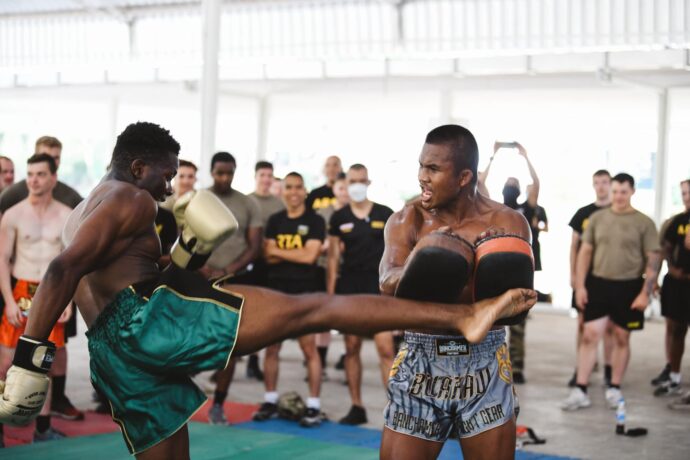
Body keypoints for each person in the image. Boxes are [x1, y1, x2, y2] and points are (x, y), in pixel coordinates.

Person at [0, 121, 536, 460]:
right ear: (139, 167)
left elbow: (109, 271)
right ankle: (465, 317)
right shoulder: (132, 200)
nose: (169, 188)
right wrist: (29, 357)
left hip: (114, 353)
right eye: (165, 176)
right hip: (149, 323)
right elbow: (60, 273)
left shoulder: (88, 205)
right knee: (315, 309)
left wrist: (189, 253)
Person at [378, 125, 534, 460]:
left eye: (433, 169)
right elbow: (387, 282)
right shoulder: (408, 220)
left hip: (485, 361)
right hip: (422, 360)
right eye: (421, 165)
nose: (423, 177)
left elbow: (521, 303)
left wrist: (484, 262)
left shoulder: (508, 224)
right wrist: (429, 255)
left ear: (464, 177)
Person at [0, 136, 84, 421]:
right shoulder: (12, 213)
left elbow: (72, 263)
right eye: (30, 175)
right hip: (20, 288)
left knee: (44, 362)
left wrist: (68, 301)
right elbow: (2, 260)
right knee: (4, 361)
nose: (34, 181)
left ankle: (44, 426)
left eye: (40, 175)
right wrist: (9, 301)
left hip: (51, 292)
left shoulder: (66, 214)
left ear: (53, 177)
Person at [563, 173, 660, 411]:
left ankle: (614, 387)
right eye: (615, 191)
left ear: (632, 192)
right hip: (598, 284)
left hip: (629, 287)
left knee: (621, 337)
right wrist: (581, 286)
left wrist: (645, 293)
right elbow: (585, 252)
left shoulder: (644, 222)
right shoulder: (597, 218)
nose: (618, 196)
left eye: (623, 192)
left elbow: (654, 258)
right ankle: (581, 389)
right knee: (589, 335)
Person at [252, 172, 326, 427]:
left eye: (298, 187)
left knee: (309, 350)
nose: (293, 192)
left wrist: (279, 251)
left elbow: (310, 257)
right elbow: (267, 255)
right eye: (289, 187)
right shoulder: (275, 220)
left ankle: (314, 405)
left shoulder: (315, 221)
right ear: (283, 191)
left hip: (305, 293)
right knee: (272, 348)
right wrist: (298, 252)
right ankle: (270, 400)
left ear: (305, 190)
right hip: (276, 293)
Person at [327, 164, 395, 425]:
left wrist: (394, 294)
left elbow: (395, 255)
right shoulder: (338, 217)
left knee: (385, 348)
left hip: (378, 289)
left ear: (369, 182)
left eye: (361, 180)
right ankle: (357, 406)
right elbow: (333, 258)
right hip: (350, 290)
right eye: (352, 180)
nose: (357, 185)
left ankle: (395, 407)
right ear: (346, 183)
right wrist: (331, 294)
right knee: (351, 347)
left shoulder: (385, 214)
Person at [201, 151, 263, 425]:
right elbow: (183, 239)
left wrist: (228, 270)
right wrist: (201, 268)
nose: (224, 178)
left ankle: (217, 404)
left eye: (229, 173)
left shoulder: (247, 204)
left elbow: (254, 246)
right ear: (212, 172)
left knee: (231, 345)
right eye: (219, 173)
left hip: (234, 282)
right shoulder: (199, 200)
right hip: (198, 281)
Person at [484, 141, 541, 384]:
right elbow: (479, 183)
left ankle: (516, 367)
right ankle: (492, 364)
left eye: (514, 182)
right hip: (496, 268)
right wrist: (492, 156)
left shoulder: (526, 208)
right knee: (494, 319)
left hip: (521, 270)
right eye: (508, 182)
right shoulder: (495, 208)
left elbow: (536, 184)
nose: (511, 184)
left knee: (518, 321)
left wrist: (526, 157)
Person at [567, 170, 614, 388]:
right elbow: (574, 247)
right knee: (583, 325)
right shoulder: (583, 214)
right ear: (593, 185)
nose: (601, 187)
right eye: (597, 183)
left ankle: (608, 369)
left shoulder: (618, 212)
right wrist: (574, 276)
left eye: (605, 182)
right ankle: (581, 368)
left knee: (611, 327)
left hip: (611, 278)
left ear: (611, 184)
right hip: (587, 279)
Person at [245, 160, 285, 380]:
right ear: (255, 176)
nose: (266, 179)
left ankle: (253, 361)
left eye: (270, 175)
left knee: (262, 314)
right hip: (246, 264)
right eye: (263, 175)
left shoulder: (279, 205)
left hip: (269, 264)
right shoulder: (246, 201)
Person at [654, 180, 690, 399]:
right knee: (676, 330)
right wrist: (668, 269)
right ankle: (674, 377)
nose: (687, 197)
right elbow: (663, 249)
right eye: (684, 193)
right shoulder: (676, 222)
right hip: (678, 285)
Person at [316, 173, 349, 373]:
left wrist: (337, 246)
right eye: (341, 188)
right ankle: (320, 362)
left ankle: (347, 357)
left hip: (348, 270)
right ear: (334, 189)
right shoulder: (322, 213)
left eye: (347, 187)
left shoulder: (355, 213)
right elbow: (316, 242)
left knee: (348, 319)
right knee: (323, 319)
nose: (344, 192)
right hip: (323, 268)